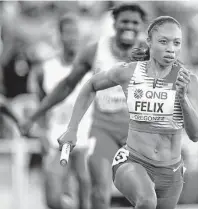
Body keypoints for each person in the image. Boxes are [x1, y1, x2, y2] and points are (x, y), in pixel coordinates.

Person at [58, 16, 198, 209]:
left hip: (171, 171)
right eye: (163, 41)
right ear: (149, 42)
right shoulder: (129, 73)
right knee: (147, 202)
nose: (171, 48)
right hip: (133, 161)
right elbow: (91, 85)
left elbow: (195, 135)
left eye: (176, 43)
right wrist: (72, 128)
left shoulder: (188, 81)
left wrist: (182, 98)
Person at [20, 4, 147, 209]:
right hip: (100, 131)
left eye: (135, 22)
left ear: (142, 26)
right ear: (114, 23)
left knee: (146, 195)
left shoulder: (150, 52)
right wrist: (35, 116)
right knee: (99, 193)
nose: (129, 26)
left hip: (137, 132)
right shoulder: (95, 51)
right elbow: (67, 85)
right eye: (124, 21)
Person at [25, 13, 92, 209]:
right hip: (56, 140)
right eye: (68, 33)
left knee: (86, 195)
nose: (73, 38)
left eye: (76, 33)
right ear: (60, 36)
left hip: (86, 141)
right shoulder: (45, 69)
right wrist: (41, 133)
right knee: (53, 199)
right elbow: (37, 105)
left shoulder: (91, 68)